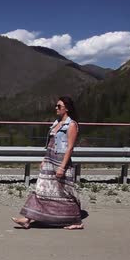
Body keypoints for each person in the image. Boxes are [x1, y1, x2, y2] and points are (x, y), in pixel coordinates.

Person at [12, 96, 84, 230]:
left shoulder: (72, 125)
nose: (56, 108)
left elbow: (69, 147)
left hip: (61, 161)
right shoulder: (56, 123)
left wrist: (62, 167)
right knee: (41, 189)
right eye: (56, 106)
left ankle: (76, 221)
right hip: (50, 160)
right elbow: (51, 143)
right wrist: (44, 159)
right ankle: (28, 219)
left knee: (64, 192)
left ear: (67, 108)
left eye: (59, 106)